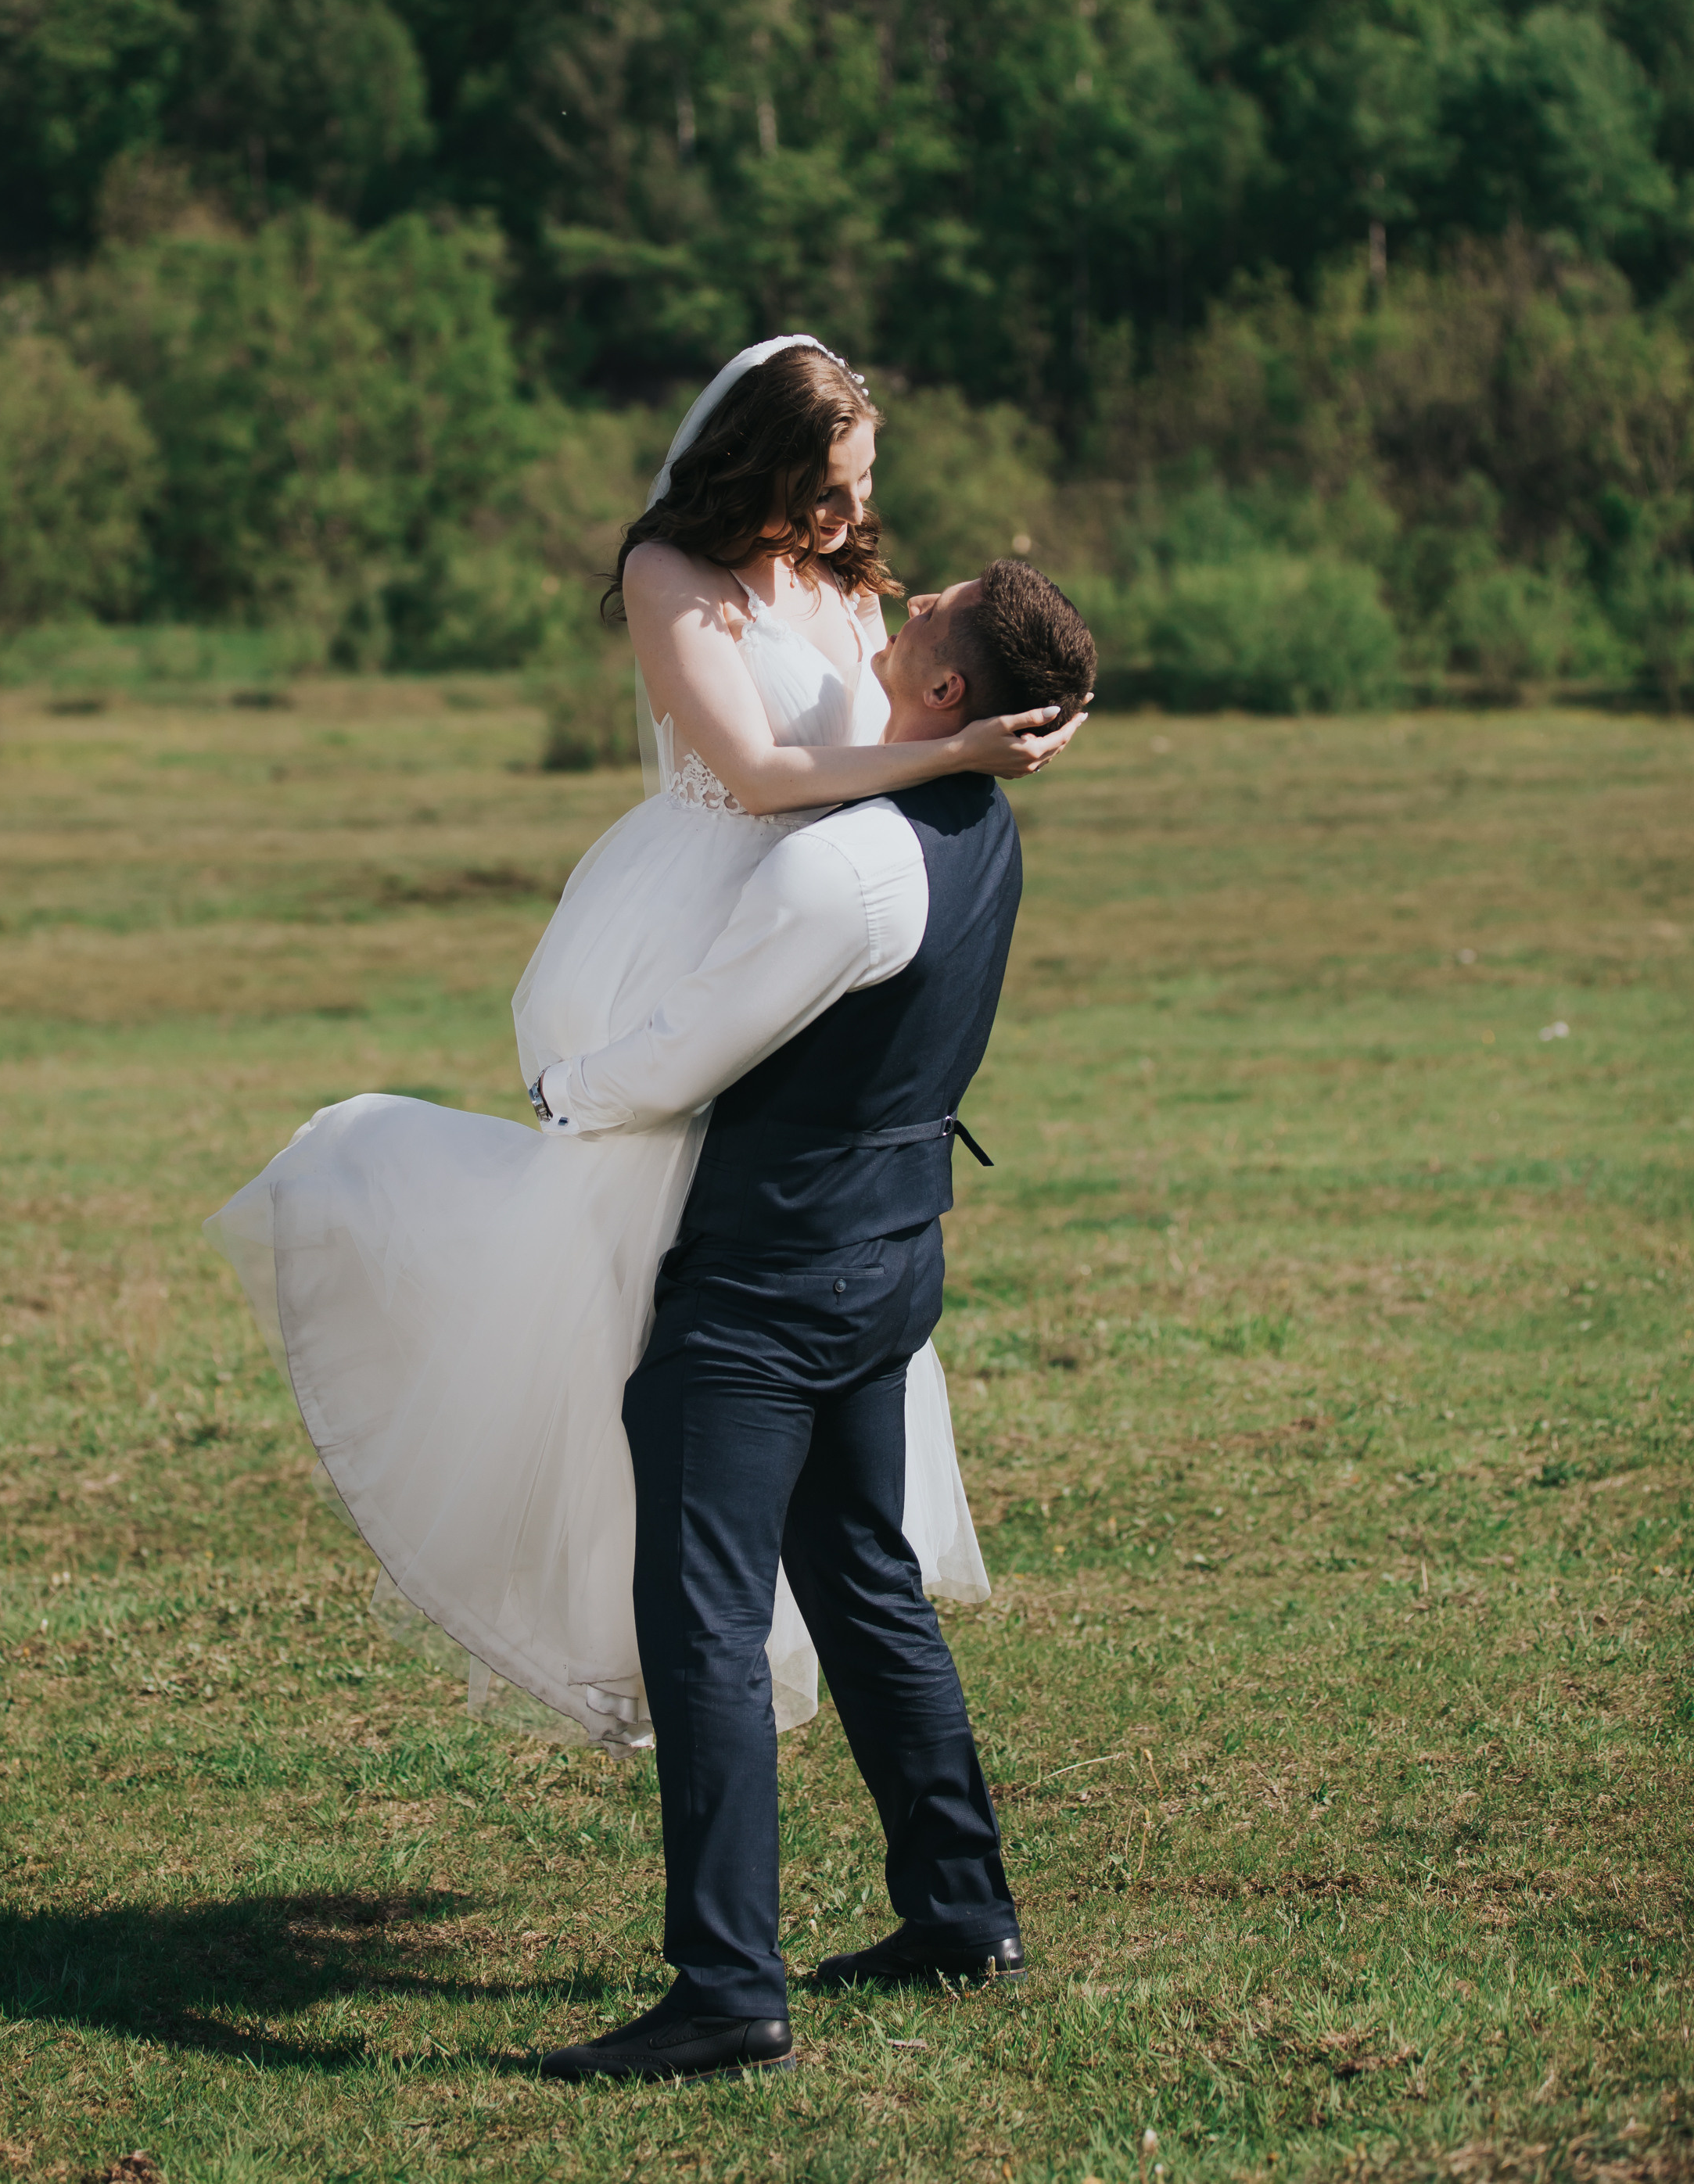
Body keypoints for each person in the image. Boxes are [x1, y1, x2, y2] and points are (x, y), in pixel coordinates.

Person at [205, 338, 1085, 1750]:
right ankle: (634, 1603)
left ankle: (753, 1572)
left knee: (736, 1266)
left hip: (809, 920)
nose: (857, 521)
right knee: (634, 1268)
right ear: (769, 472)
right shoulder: (672, 581)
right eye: (834, 492)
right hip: (684, 919)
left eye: (865, 489)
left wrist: (999, 716)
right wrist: (952, 759)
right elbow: (756, 772)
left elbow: (913, 698)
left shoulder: (846, 574)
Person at [532, 558, 1097, 2083]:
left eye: (926, 613)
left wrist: (563, 1094)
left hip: (773, 1281)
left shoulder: (846, 867)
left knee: (703, 1613)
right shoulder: (984, 829)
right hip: (892, 1253)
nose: (897, 605)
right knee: (862, 1572)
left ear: (947, 693)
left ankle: (727, 1986)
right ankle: (962, 1909)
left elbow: (689, 1047)